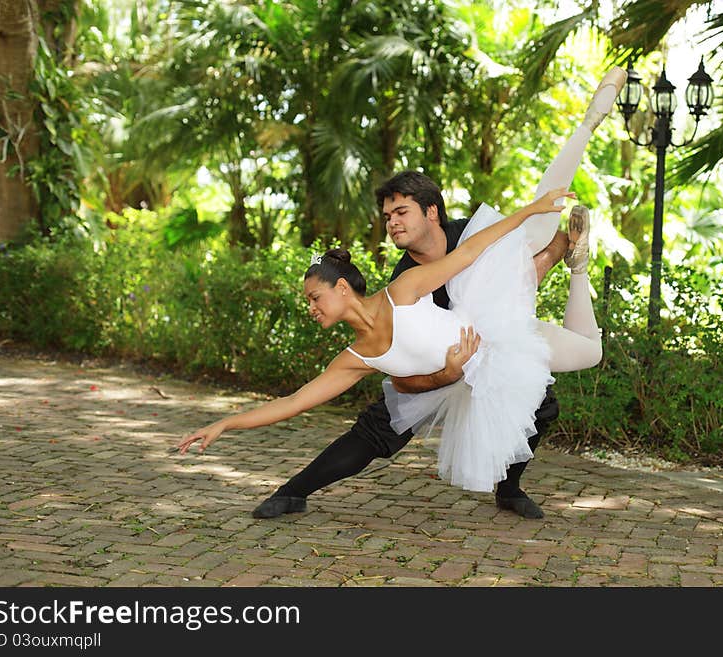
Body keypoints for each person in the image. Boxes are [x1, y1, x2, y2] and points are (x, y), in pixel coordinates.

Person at [178, 66, 628, 519]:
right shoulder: (400, 282)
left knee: (545, 387)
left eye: (400, 211)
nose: (391, 221)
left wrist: (539, 222)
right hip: (436, 362)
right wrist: (224, 423)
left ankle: (588, 138)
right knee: (379, 429)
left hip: (492, 330)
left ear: (431, 212)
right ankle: (294, 492)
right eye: (387, 215)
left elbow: (496, 265)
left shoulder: (451, 249)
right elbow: (307, 399)